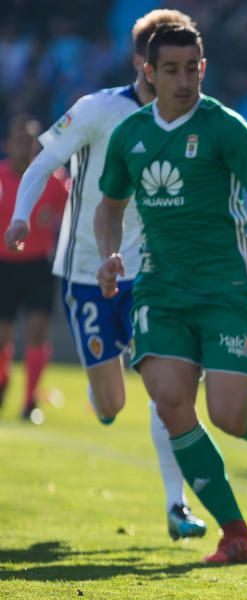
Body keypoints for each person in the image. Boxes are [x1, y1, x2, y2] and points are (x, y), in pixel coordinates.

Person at [93, 22, 247, 564]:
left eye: (192, 69)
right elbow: (108, 206)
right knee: (170, 399)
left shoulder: (225, 127)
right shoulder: (129, 135)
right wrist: (110, 253)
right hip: (160, 289)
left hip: (229, 288)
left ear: (203, 68)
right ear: (148, 73)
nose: (184, 80)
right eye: (171, 70)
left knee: (228, 413)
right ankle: (237, 534)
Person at [4, 10, 209, 540]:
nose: (177, 78)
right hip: (88, 271)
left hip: (153, 272)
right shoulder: (97, 110)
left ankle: (176, 504)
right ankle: (101, 395)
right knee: (111, 404)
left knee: (167, 388)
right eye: (164, 64)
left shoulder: (193, 118)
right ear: (144, 63)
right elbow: (41, 163)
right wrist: (22, 215)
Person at [0, 114, 68, 421]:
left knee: (38, 331)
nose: (24, 147)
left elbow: (70, 214)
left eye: (30, 141)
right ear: (7, 144)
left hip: (39, 263)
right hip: (4, 265)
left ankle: (30, 402)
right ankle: (3, 382)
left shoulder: (51, 181)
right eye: (18, 140)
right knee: (4, 334)